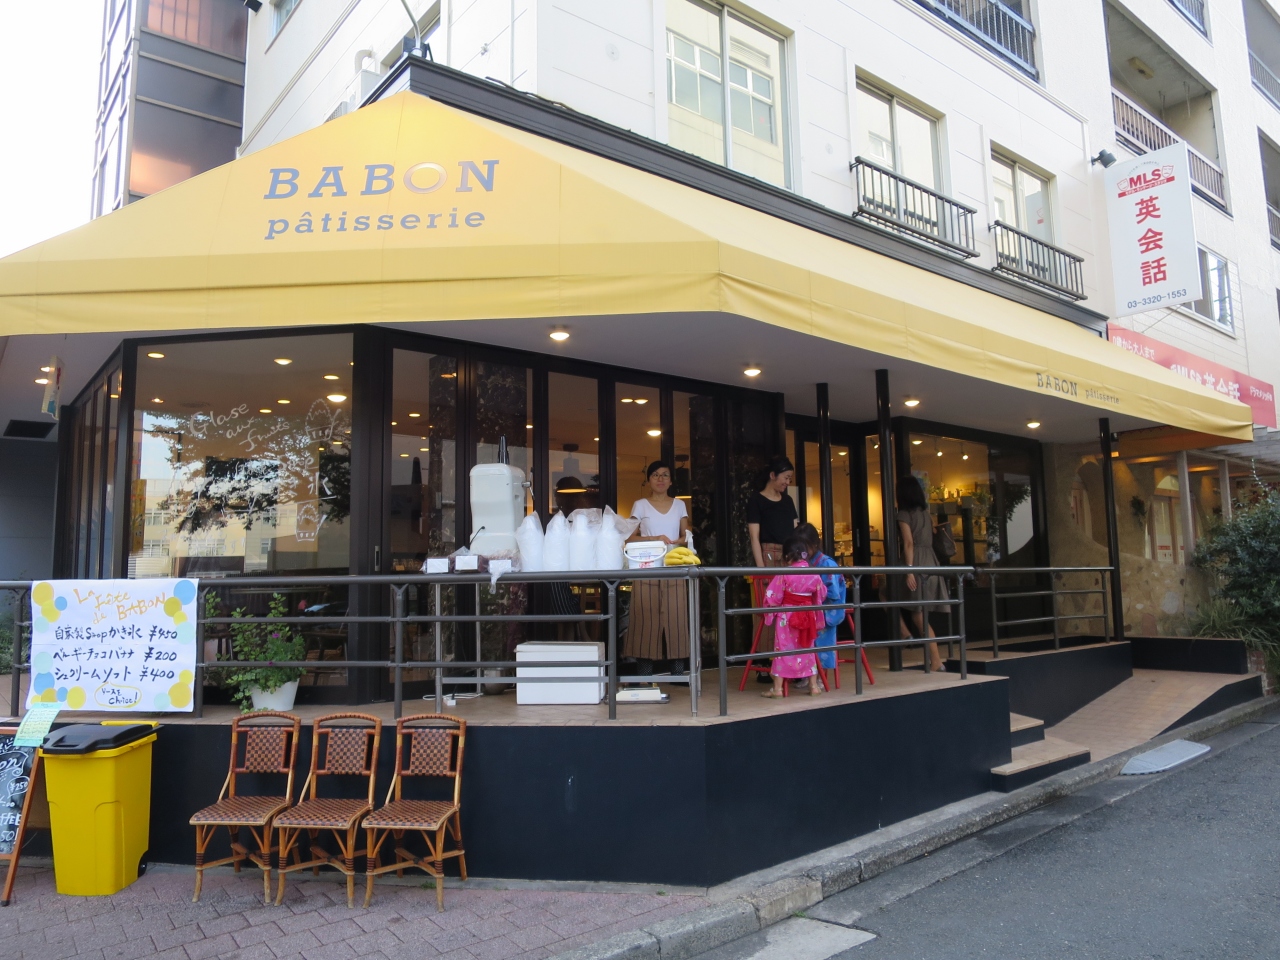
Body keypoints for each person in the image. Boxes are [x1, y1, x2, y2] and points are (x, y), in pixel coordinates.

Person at [623, 461, 691, 675]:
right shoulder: (640, 505)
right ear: (648, 480)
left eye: (665, 475)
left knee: (677, 618)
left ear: (671, 481)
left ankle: (677, 673)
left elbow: (686, 535)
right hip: (647, 567)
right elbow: (629, 538)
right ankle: (644, 674)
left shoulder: (679, 505)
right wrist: (654, 539)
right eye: (655, 475)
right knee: (645, 619)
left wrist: (679, 541)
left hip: (674, 567)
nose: (660, 479)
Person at [746, 457, 798, 681]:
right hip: (767, 554)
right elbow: (754, 537)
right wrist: (761, 569)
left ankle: (789, 660)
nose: (787, 482)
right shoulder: (756, 500)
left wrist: (797, 561)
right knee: (766, 609)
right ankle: (763, 661)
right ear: (772, 475)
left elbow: (795, 533)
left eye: (790, 479)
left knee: (790, 608)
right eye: (785, 477)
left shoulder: (788, 501)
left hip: (788, 558)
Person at [760, 534, 826, 699]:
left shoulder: (785, 573)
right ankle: (813, 686)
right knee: (807, 647)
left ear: (787, 556)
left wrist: (769, 607)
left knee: (783, 649)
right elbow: (821, 593)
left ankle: (777, 689)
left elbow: (773, 595)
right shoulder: (813, 573)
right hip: (808, 614)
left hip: (787, 615)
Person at [896, 475, 946, 672]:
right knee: (918, 612)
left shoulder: (903, 515)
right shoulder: (926, 514)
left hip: (915, 562)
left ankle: (935, 659)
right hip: (931, 562)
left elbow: (908, 543)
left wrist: (909, 570)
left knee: (918, 615)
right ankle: (906, 634)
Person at [795, 523, 845, 672]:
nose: (802, 551)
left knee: (820, 636)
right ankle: (806, 672)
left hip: (828, 608)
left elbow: (833, 593)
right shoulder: (804, 563)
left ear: (815, 544)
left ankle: (820, 675)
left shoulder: (827, 563)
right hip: (811, 606)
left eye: (805, 547)